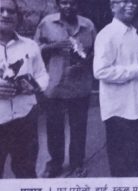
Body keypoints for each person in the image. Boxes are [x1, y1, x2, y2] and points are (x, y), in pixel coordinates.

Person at [93, 0, 138, 177]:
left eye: (134, 2)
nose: (131, 5)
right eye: (124, 1)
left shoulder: (133, 33)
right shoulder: (107, 35)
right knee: (121, 166)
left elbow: (132, 62)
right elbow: (100, 71)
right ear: (113, 6)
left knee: (136, 160)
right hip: (119, 111)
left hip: (137, 106)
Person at [34, 0, 96, 177]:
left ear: (79, 5)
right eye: (64, 3)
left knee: (79, 127)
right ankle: (55, 163)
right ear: (58, 4)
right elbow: (33, 50)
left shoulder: (88, 25)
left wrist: (85, 61)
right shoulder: (46, 23)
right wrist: (53, 46)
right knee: (54, 127)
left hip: (80, 85)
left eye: (73, 3)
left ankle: (77, 164)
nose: (68, 6)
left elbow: (96, 51)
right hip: (55, 85)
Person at [0, 0, 49, 178]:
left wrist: (34, 86)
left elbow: (43, 74)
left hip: (25, 121)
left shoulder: (30, 46)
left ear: (18, 16)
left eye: (11, 11)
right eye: (1, 10)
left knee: (26, 174)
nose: (6, 15)